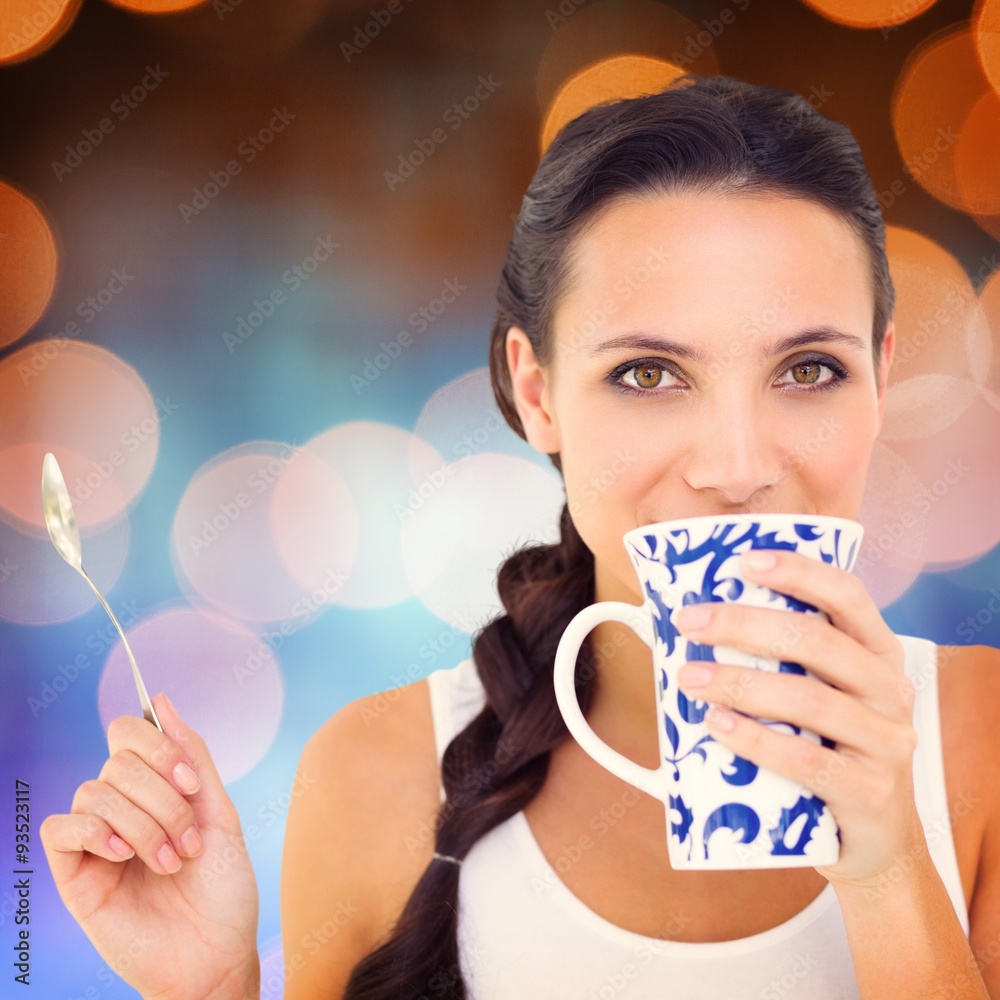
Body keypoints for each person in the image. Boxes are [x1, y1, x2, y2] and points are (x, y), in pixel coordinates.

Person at [41, 73, 1000, 1000]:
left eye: (807, 370)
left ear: (880, 378)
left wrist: (888, 865)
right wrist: (214, 992)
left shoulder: (982, 743)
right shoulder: (377, 776)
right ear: (536, 392)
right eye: (649, 374)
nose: (736, 464)